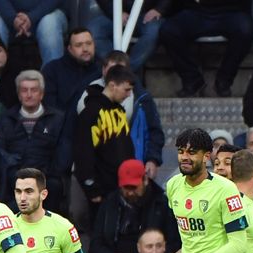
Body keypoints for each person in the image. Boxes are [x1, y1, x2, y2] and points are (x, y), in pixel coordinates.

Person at [76, 50, 165, 180]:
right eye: (112, 70)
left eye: (120, 71)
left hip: (133, 168)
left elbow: (154, 131)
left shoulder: (142, 98)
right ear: (103, 69)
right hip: (100, 172)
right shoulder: (87, 96)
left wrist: (152, 159)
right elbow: (83, 142)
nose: (115, 74)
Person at [0, 70, 70, 214]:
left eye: (34, 90)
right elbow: (1, 151)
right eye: (24, 90)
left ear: (42, 94)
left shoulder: (57, 118)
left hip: (46, 178)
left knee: (54, 187)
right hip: (15, 177)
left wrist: (43, 174)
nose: (29, 94)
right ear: (19, 94)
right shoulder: (5, 119)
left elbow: (63, 153)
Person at [89, 159, 180, 253]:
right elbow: (95, 244)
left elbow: (173, 243)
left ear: (145, 180)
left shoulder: (161, 204)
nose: (130, 192)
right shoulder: (110, 203)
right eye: (126, 188)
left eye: (134, 187)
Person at [159, 0, 253, 97]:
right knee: (169, 31)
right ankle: (192, 79)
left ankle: (224, 80)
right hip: (195, 12)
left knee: (246, 30)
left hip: (231, 12)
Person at [73, 65, 136, 209]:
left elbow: (126, 149)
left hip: (121, 186)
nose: (129, 95)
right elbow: (83, 152)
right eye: (126, 89)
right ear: (113, 85)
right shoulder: (90, 113)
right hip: (101, 190)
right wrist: (91, 186)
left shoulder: (119, 112)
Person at [87, 0, 169, 72]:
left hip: (147, 13)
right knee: (94, 31)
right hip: (116, 13)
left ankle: (123, 71)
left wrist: (159, 9)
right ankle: (115, 67)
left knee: (153, 32)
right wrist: (115, 12)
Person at [0, 0, 67, 66]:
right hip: (10, 16)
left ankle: (53, 78)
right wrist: (13, 19)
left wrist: (31, 17)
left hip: (49, 12)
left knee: (49, 23)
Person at [41, 28, 101, 112]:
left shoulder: (103, 68)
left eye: (88, 43)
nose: (85, 49)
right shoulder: (52, 70)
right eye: (78, 45)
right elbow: (50, 108)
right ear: (69, 49)